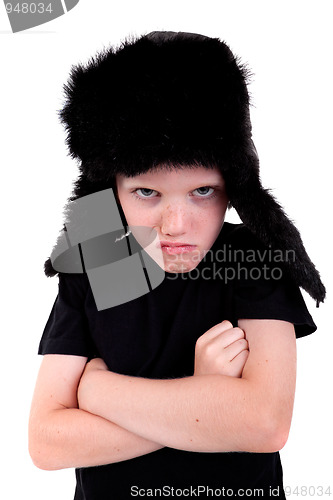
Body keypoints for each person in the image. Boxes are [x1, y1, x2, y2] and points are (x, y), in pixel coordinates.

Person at [29, 32, 325, 499]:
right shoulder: (99, 257)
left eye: (202, 191)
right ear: (111, 189)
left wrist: (100, 394)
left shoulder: (249, 257)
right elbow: (46, 442)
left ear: (234, 186)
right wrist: (206, 399)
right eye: (147, 192)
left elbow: (264, 425)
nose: (176, 225)